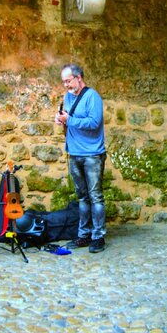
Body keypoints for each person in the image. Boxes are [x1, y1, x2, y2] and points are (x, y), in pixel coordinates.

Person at [54, 62, 106, 253]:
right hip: (74, 153)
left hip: (92, 154)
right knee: (82, 197)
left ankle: (98, 236)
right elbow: (69, 117)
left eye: (68, 81)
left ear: (78, 78)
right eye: (64, 82)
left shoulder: (93, 97)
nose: (66, 85)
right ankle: (84, 235)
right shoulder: (67, 97)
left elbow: (94, 122)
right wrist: (60, 118)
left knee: (95, 197)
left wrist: (70, 120)